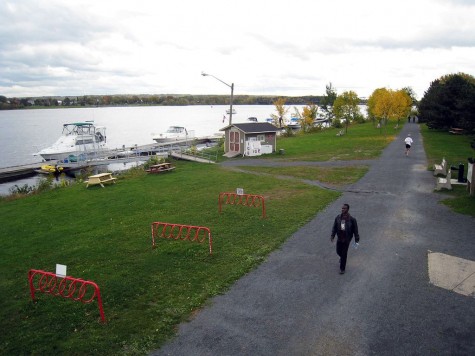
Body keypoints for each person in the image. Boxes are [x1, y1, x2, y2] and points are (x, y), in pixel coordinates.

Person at [331, 203, 360, 274]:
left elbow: (355, 231)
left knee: (344, 254)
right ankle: (342, 258)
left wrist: (356, 240)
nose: (342, 209)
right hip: (340, 237)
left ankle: (342, 269)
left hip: (347, 239)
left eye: (344, 208)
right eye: (342, 208)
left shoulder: (352, 220)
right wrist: (333, 235)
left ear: (348, 209)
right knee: (338, 251)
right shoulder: (338, 217)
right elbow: (334, 227)